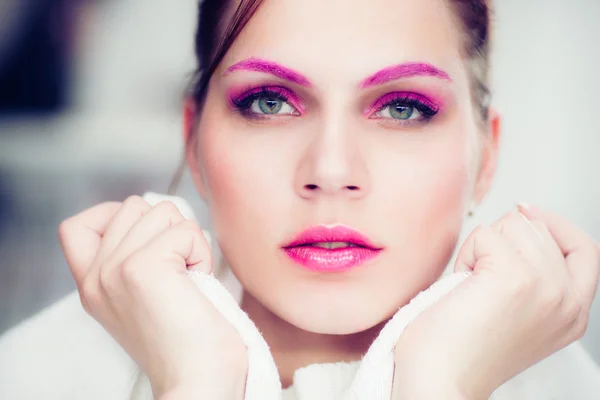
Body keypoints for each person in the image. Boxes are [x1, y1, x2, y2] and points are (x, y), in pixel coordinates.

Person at [1, 0, 600, 398]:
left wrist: (439, 384)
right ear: (194, 141)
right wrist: (195, 380)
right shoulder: (33, 377)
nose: (331, 171)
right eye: (268, 102)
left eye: (402, 107)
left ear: (485, 158)